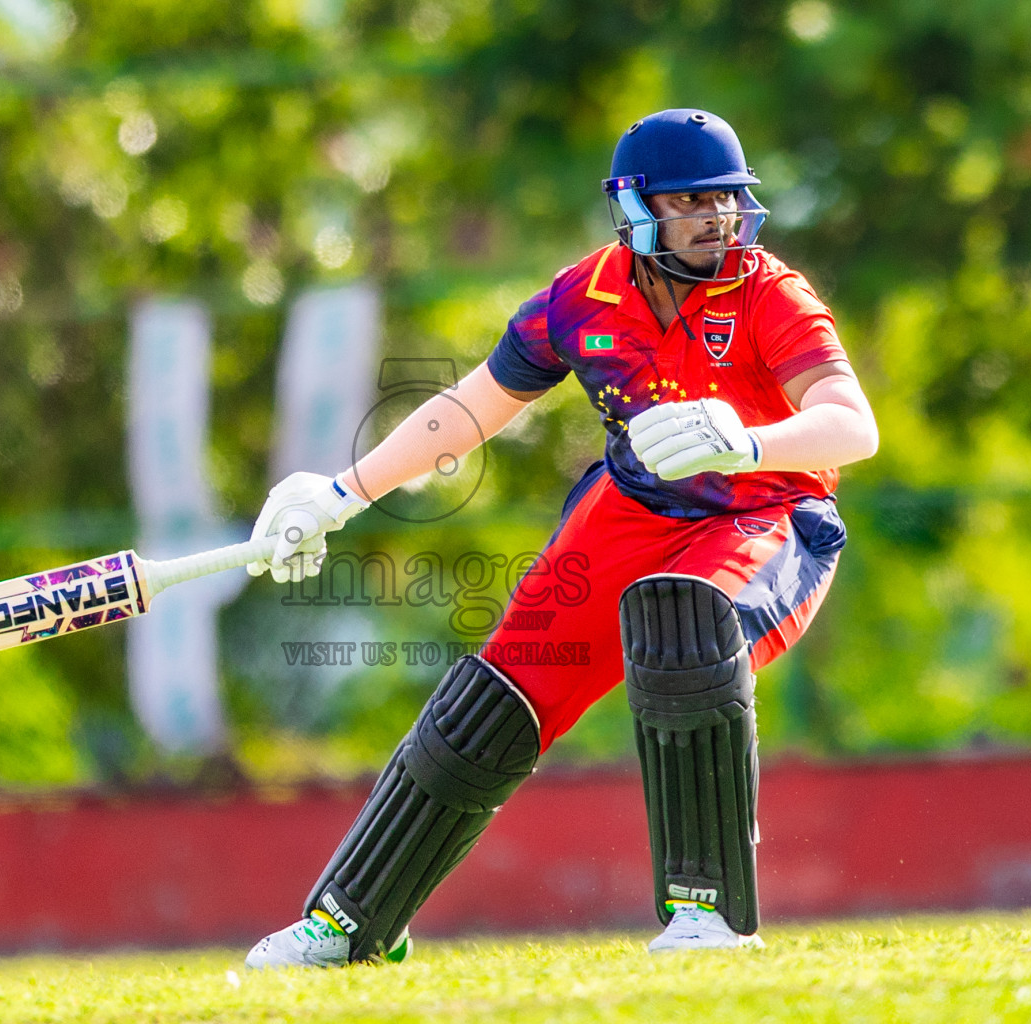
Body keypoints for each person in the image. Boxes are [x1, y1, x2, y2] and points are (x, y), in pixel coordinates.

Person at [242, 108, 878, 967]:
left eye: (726, 201)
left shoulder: (769, 294)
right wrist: (341, 492)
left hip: (766, 514)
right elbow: (467, 412)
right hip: (633, 510)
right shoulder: (581, 300)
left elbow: (852, 426)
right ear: (636, 207)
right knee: (494, 700)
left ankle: (710, 915)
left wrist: (748, 440)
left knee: (685, 623)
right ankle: (348, 925)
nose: (715, 220)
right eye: (690, 202)